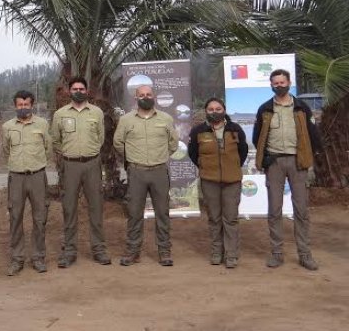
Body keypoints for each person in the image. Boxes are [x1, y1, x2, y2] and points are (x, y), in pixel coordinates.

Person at [252, 69, 322, 271]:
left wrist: (312, 157)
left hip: (297, 162)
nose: (279, 85)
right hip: (274, 163)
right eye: (276, 83)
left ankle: (305, 254)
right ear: (271, 85)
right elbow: (258, 137)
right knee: (274, 210)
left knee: (301, 210)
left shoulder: (301, 108)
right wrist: (265, 158)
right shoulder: (265, 109)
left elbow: (313, 134)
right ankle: (276, 253)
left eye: (283, 82)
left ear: (289, 82)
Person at [114, 84, 179, 267]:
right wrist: (132, 160)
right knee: (134, 213)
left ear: (154, 96)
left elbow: (173, 143)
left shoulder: (166, 118)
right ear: (136, 98)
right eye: (141, 95)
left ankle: (164, 251)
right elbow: (118, 143)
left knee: (162, 213)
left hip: (159, 171)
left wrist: (161, 156)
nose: (145, 97)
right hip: (137, 172)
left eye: (149, 94)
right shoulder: (126, 120)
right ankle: (133, 252)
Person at [49, 76, 111, 268]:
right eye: (74, 89)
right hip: (70, 166)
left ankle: (99, 249)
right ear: (69, 91)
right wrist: (69, 155)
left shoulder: (97, 113)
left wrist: (89, 153)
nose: (78, 91)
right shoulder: (60, 115)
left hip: (92, 164)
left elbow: (100, 138)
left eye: (81, 89)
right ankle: (69, 251)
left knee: (96, 207)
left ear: (87, 91)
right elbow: (56, 141)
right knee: (69, 208)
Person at [188, 98, 248, 268]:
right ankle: (216, 252)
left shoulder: (235, 129)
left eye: (218, 108)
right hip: (209, 181)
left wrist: (232, 167)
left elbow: (242, 152)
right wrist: (206, 167)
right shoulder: (198, 131)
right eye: (211, 109)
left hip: (232, 181)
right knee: (214, 218)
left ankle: (231, 255)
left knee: (230, 218)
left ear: (224, 109)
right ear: (206, 111)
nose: (215, 111)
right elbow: (193, 154)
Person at [1, 90, 52, 275]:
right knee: (16, 218)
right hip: (16, 177)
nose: (23, 108)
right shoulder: (7, 127)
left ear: (32, 105)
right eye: (20, 105)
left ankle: (38, 257)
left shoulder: (42, 124)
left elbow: (48, 148)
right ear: (15, 106)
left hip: (37, 176)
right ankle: (17, 259)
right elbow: (6, 150)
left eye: (26, 104)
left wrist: (37, 164)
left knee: (39, 218)